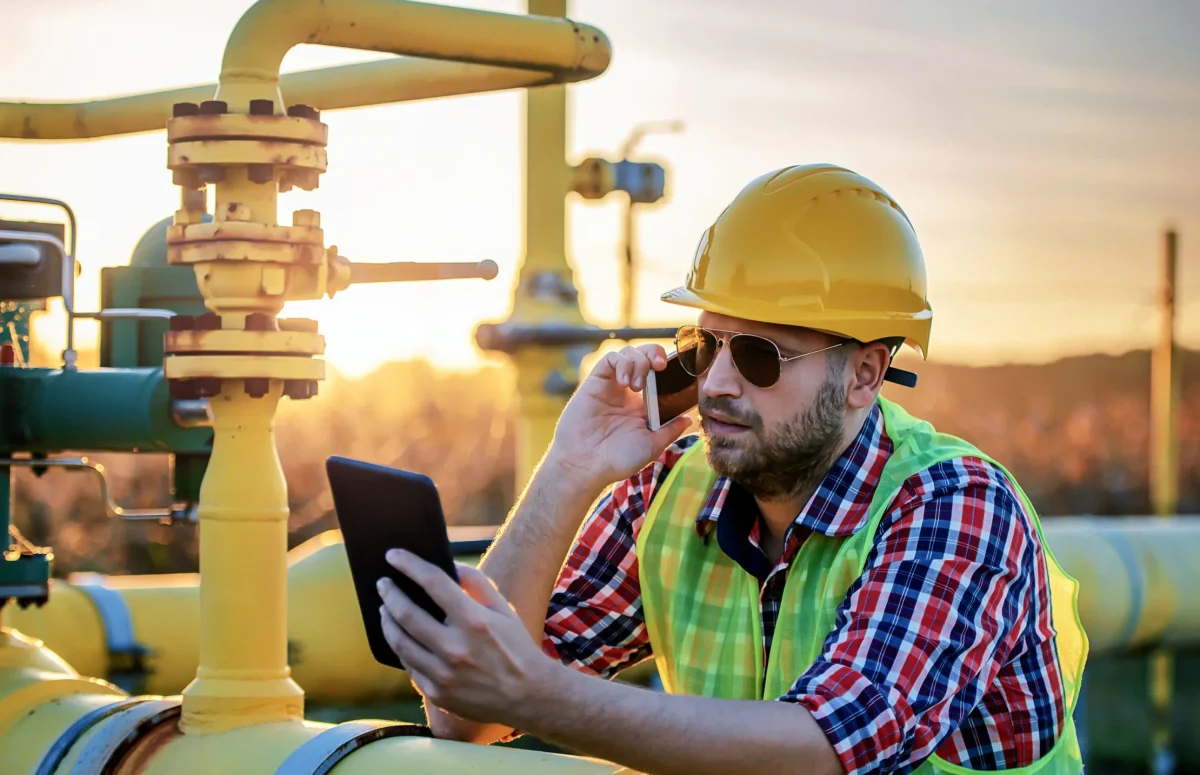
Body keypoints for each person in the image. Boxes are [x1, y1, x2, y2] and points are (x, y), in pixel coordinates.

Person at [374, 163, 1088, 775]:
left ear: (865, 373)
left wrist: (532, 695)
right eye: (705, 342)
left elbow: (827, 749)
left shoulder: (954, 505)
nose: (715, 382)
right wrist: (571, 468)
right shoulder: (675, 486)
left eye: (756, 356)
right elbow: (464, 713)